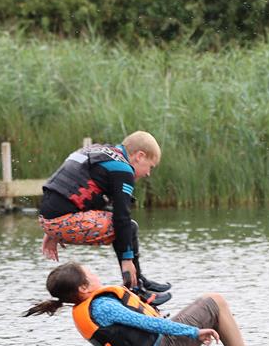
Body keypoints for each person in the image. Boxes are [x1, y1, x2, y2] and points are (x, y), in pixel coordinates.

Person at [24, 262, 269, 346]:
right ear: (83, 288)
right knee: (215, 301)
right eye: (90, 273)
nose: (95, 274)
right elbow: (147, 324)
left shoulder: (94, 304)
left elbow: (143, 319)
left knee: (212, 304)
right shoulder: (102, 307)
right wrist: (192, 332)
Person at [39, 131, 171, 305]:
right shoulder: (123, 169)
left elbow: (67, 189)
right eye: (150, 166)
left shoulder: (99, 152)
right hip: (61, 220)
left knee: (118, 219)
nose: (148, 173)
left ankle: (139, 281)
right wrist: (126, 259)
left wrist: (50, 231)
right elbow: (121, 217)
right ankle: (136, 288)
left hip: (50, 216)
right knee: (128, 226)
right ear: (139, 156)